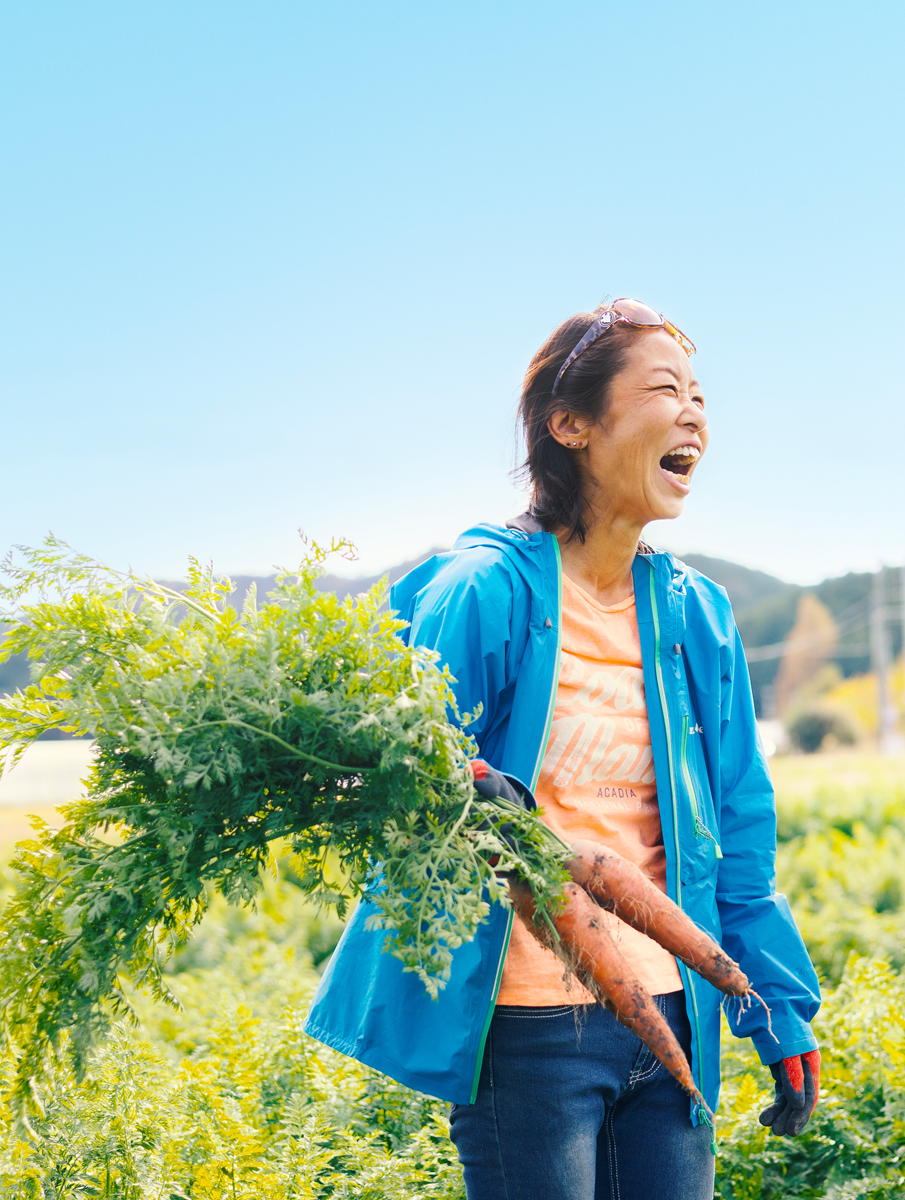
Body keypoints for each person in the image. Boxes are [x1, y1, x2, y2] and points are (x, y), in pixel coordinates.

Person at [303, 300, 822, 1200]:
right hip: (528, 1029)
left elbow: (737, 818)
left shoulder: (698, 614)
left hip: (675, 1010)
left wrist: (776, 1004)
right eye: (665, 390)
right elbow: (390, 788)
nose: (695, 411)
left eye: (700, 394)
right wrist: (471, 805)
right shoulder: (485, 594)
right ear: (571, 425)